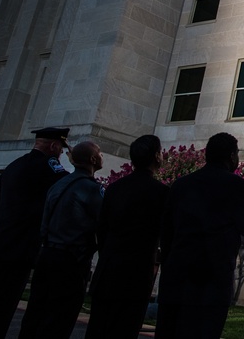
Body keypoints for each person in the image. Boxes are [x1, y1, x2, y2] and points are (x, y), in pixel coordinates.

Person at [0, 126, 70, 339]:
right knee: (1, 307)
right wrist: (78, 161)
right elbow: (66, 183)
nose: (61, 154)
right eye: (61, 149)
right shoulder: (49, 165)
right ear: (55, 146)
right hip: (18, 249)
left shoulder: (13, 166)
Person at [156, 132, 244, 339]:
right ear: (231, 156)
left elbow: (167, 231)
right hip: (212, 278)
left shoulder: (181, 185)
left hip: (177, 273)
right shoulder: (236, 186)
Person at [18, 140, 105, 339]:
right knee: (60, 318)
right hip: (71, 259)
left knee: (36, 313)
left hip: (47, 254)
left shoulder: (59, 183)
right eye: (99, 153)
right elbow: (104, 223)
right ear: (92, 159)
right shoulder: (92, 189)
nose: (102, 157)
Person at [85, 135, 168, 339]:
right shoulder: (162, 193)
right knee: (124, 329)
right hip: (136, 276)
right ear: (157, 156)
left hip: (108, 270)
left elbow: (101, 229)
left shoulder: (115, 188)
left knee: (98, 328)